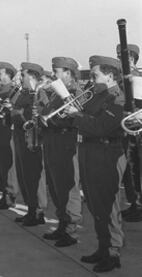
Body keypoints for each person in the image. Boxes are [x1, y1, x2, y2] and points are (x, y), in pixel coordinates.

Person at [64, 55, 125, 273]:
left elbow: (101, 127)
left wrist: (76, 116)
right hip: (90, 150)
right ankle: (103, 246)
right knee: (95, 204)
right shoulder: (97, 95)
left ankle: (113, 252)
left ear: (109, 76)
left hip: (106, 152)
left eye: (95, 74)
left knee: (108, 206)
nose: (91, 78)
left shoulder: (116, 97)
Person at [41, 57, 82, 247]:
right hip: (52, 141)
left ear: (68, 72)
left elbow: (75, 118)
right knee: (56, 185)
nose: (52, 74)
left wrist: (52, 120)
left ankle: (71, 230)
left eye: (56, 71)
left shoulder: (75, 92)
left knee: (68, 185)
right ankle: (62, 224)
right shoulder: (56, 93)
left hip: (66, 141)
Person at [11, 62, 46, 226]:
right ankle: (30, 209)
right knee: (23, 175)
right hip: (20, 136)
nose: (20, 77)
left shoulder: (39, 92)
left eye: (23, 75)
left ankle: (38, 211)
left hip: (31, 138)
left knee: (33, 176)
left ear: (32, 76)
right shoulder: (23, 92)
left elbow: (39, 113)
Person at [116, 43, 142, 222]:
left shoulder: (137, 79)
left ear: (133, 59)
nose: (121, 60)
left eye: (124, 57)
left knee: (135, 169)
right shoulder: (119, 79)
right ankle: (133, 203)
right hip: (124, 129)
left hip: (136, 130)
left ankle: (138, 205)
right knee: (128, 170)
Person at [0, 61, 17, 209]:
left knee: (6, 164)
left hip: (6, 128)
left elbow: (14, 109)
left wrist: (1, 103)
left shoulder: (14, 89)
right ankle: (3, 193)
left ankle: (10, 194)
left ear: (8, 74)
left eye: (0, 73)